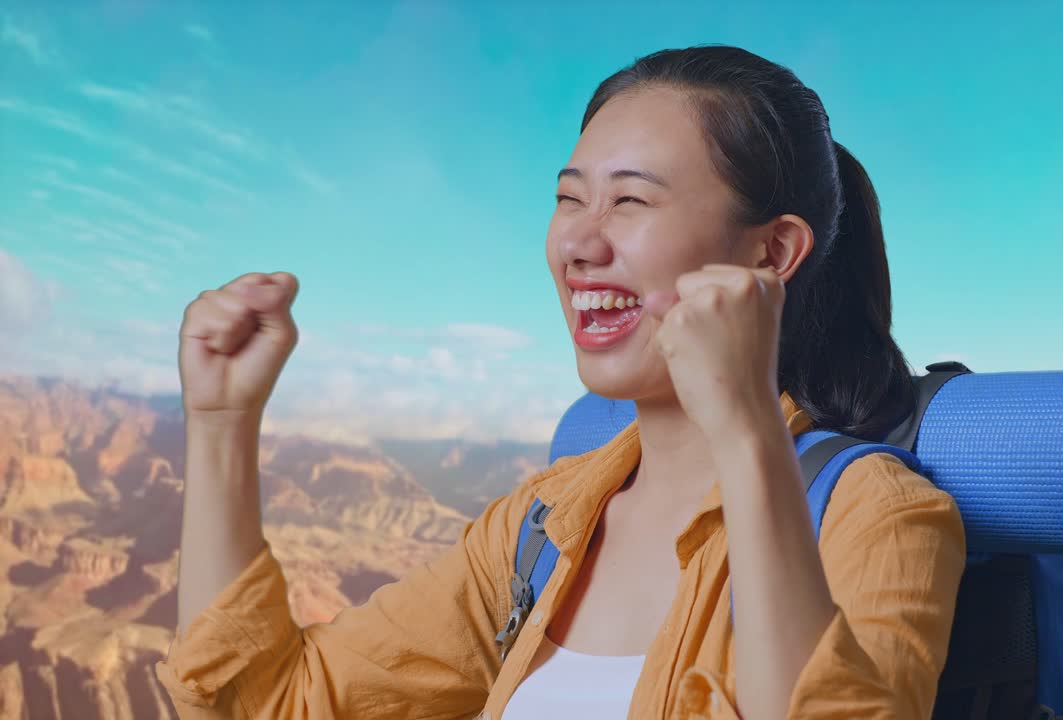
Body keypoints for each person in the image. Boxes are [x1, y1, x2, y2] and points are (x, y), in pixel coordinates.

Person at [155, 45, 966, 720]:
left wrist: (748, 426)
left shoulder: (878, 520)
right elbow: (267, 704)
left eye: (629, 201)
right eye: (568, 198)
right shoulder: (541, 531)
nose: (578, 243)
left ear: (771, 254)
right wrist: (222, 420)